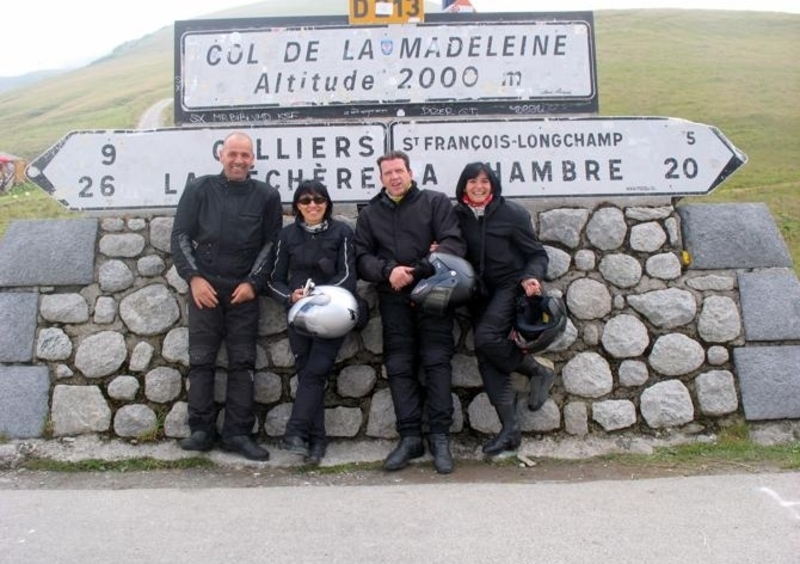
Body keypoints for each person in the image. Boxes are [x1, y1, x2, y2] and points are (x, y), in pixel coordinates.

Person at [171, 131, 282, 461]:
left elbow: (271, 244)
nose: (238, 160)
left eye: (244, 155)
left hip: (243, 292)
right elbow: (180, 237)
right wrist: (193, 278)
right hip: (205, 288)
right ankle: (201, 430)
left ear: (253, 159)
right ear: (220, 154)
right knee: (202, 360)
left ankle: (237, 433)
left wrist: (253, 283)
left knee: (243, 362)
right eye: (233, 153)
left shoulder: (266, 195)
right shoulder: (199, 189)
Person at [354, 150, 466, 474]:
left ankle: (441, 439)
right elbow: (361, 257)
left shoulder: (435, 203)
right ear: (380, 177)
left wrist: (416, 270)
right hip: (393, 297)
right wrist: (388, 270)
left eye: (399, 171)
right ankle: (410, 437)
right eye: (387, 173)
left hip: (434, 292)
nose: (394, 177)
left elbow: (453, 244)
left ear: (410, 172)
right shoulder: (370, 213)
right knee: (400, 365)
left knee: (436, 362)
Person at [453, 162, 553, 456]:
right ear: (463, 186)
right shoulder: (457, 215)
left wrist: (531, 277)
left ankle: (537, 371)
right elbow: (451, 245)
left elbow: (536, 253)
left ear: (493, 184)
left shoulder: (513, 214)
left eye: (484, 181)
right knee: (487, 357)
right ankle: (510, 431)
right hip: (477, 292)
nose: (478, 186)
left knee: (485, 339)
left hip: (510, 285)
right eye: (472, 181)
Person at [266, 180, 357, 465]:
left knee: (315, 371)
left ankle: (295, 432)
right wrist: (291, 297)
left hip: (332, 313)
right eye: (305, 201)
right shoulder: (286, 236)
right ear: (297, 207)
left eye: (318, 199)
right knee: (307, 373)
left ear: (327, 203)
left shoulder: (342, 232)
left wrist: (320, 295)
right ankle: (315, 440)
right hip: (299, 314)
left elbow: (347, 276)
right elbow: (274, 279)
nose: (313, 205)